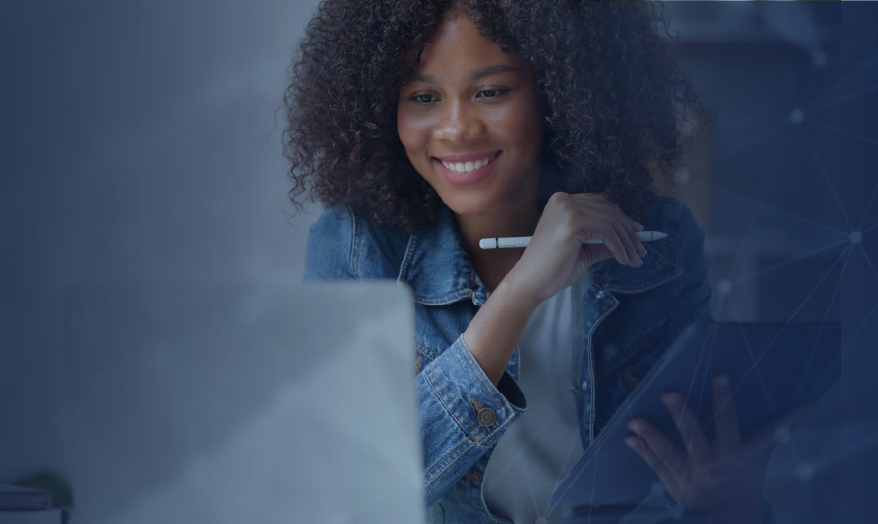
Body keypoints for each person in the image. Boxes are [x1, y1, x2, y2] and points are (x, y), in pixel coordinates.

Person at [289, 1, 809, 522]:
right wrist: (517, 295)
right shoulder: (355, 249)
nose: (456, 129)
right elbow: (349, 494)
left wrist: (730, 505)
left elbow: (692, 493)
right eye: (423, 97)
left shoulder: (662, 244)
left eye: (491, 92)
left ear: (557, 92)